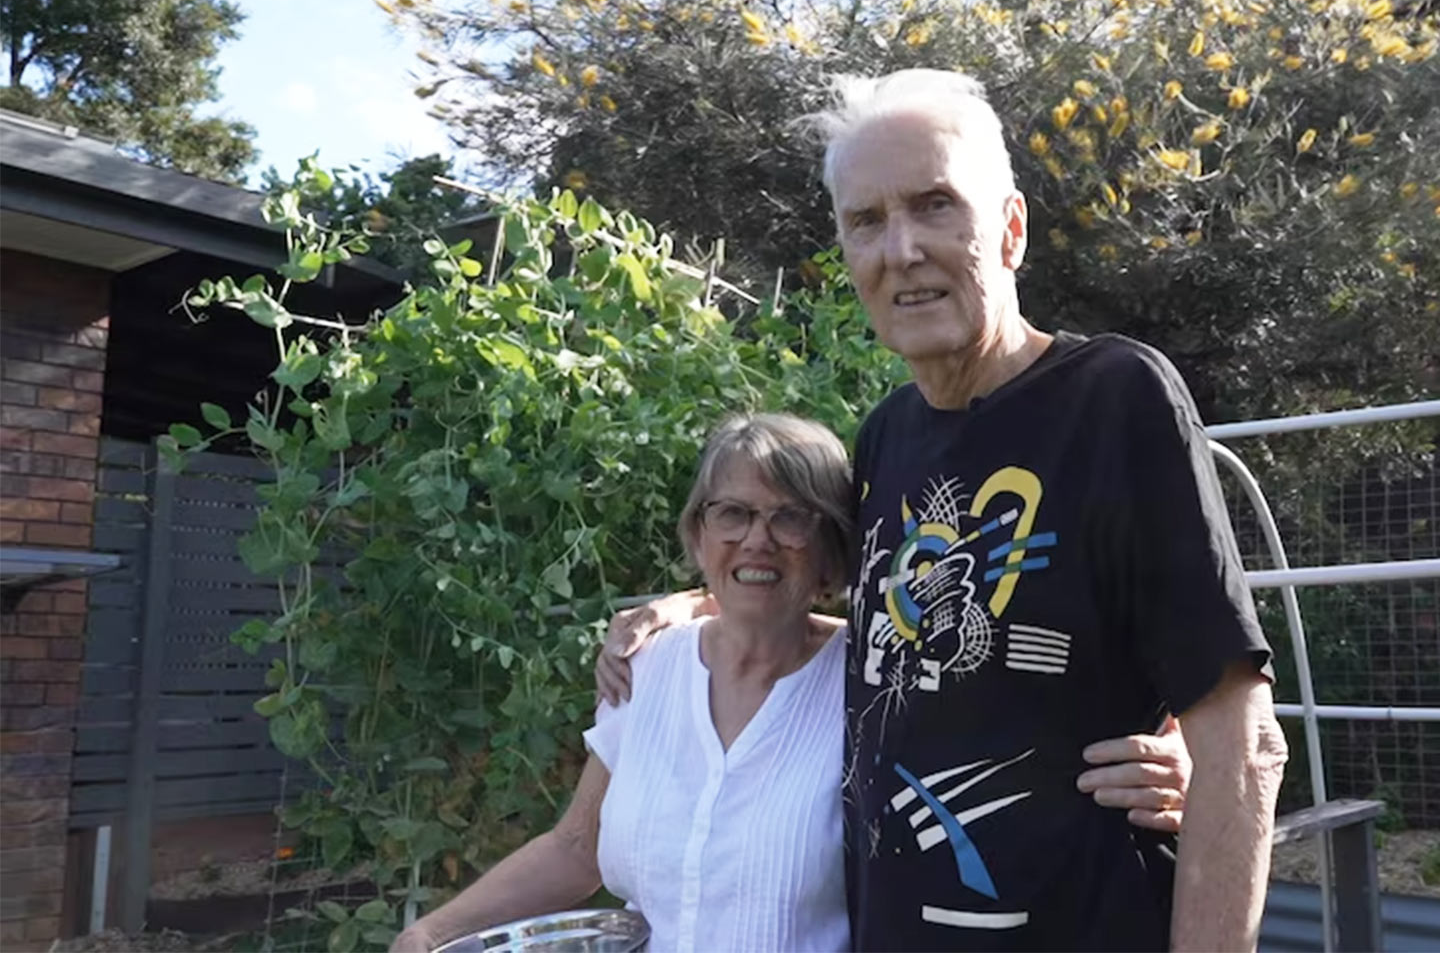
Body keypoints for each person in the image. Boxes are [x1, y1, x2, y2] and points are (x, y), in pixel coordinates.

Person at [599, 69, 1287, 952]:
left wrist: (1193, 768)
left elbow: (1241, 737)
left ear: (1009, 230)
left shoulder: (1115, 400)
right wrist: (676, 607)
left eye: (934, 206)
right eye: (866, 221)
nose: (901, 249)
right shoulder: (886, 438)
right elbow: (803, 579)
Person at [393, 414, 1190, 953]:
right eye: (731, 514)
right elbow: (575, 848)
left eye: (792, 517)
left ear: (834, 549)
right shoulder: (648, 667)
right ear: (698, 533)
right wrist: (430, 935)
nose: (758, 541)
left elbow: (1025, 725)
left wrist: (1177, 752)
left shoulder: (878, 675)